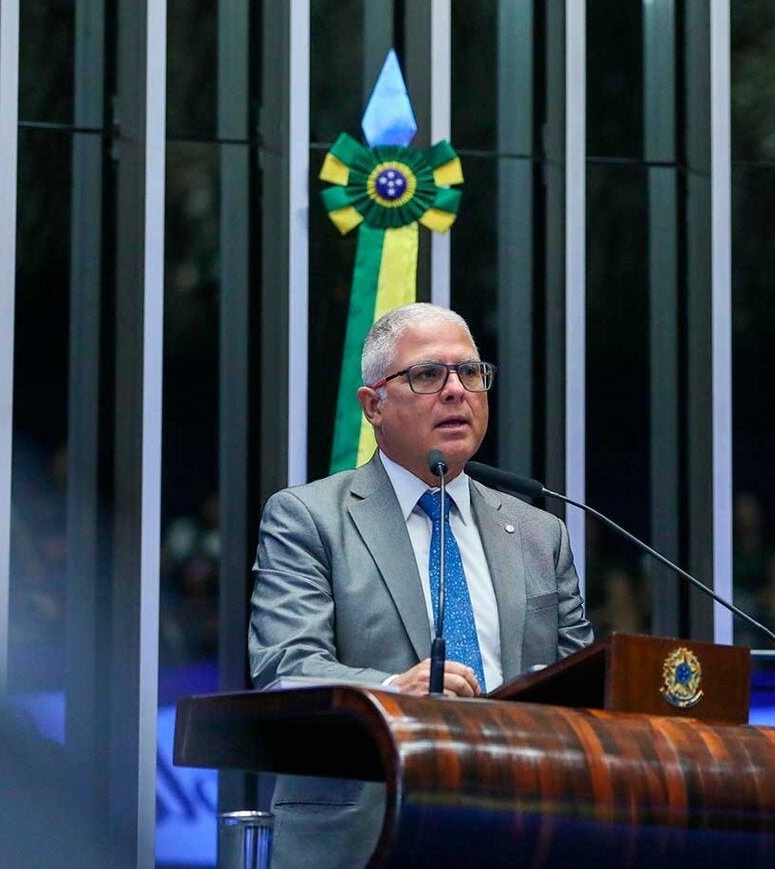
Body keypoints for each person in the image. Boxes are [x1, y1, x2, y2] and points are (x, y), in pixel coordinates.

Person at [248, 302, 594, 868]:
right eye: (427, 375)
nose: (457, 390)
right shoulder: (308, 517)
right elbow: (287, 667)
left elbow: (579, 684)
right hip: (366, 830)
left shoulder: (539, 531)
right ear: (373, 405)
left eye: (471, 373)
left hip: (518, 830)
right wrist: (393, 690)